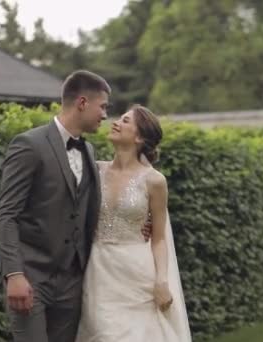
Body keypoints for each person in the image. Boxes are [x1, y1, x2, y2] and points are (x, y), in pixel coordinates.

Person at [0, 70, 111, 342]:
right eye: (102, 106)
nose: (105, 115)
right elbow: (7, 213)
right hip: (31, 276)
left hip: (72, 279)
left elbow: (87, 207)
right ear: (82, 102)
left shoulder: (89, 151)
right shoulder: (29, 144)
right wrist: (14, 273)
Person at [76, 105, 192, 342]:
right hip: (99, 271)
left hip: (138, 273)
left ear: (139, 137)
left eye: (125, 121)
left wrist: (161, 280)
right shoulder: (94, 170)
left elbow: (159, 238)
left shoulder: (154, 181)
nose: (116, 122)